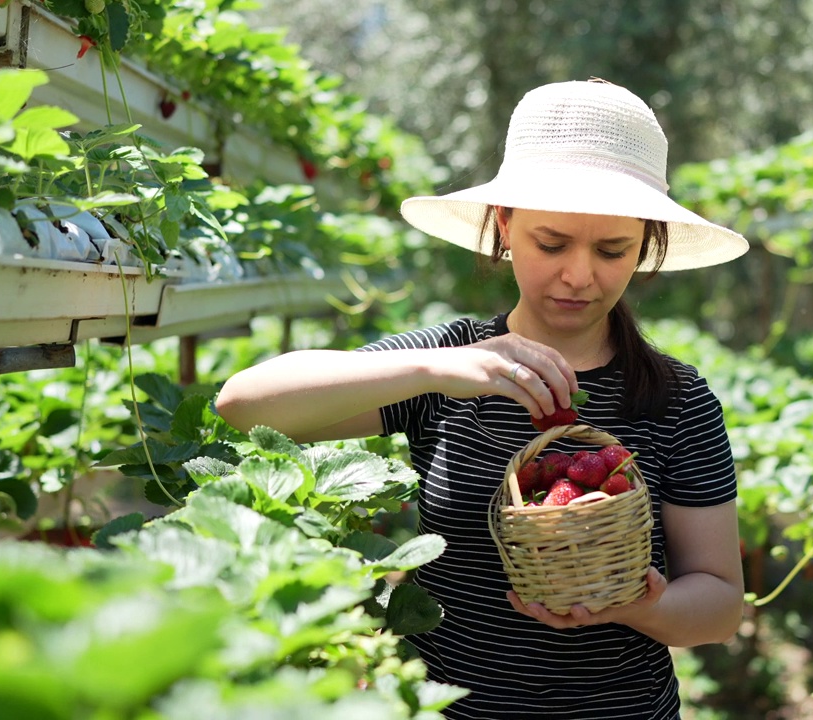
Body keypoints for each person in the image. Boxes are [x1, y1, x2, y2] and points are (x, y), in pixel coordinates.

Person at [215, 78, 750, 719]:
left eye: (613, 251)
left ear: (647, 244)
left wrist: (645, 606)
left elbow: (720, 604)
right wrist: (430, 369)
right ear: (505, 225)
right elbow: (243, 406)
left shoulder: (674, 398)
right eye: (550, 244)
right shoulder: (449, 367)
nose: (579, 275)